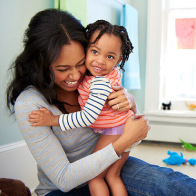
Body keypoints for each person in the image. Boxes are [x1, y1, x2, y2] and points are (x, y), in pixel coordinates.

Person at [6, 9, 196, 196]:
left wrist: (129, 101)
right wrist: (124, 142)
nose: (74, 76)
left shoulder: (92, 73)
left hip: (108, 159)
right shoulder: (29, 104)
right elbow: (63, 179)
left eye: (80, 63)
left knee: (174, 184)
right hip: (66, 186)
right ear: (40, 64)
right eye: (63, 68)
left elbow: (120, 117)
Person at [28, 19, 140, 196]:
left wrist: (52, 120)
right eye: (95, 52)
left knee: (95, 179)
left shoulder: (99, 83)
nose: (100, 62)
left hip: (114, 132)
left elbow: (88, 117)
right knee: (113, 176)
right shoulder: (111, 75)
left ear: (119, 59)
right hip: (121, 129)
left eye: (109, 57)